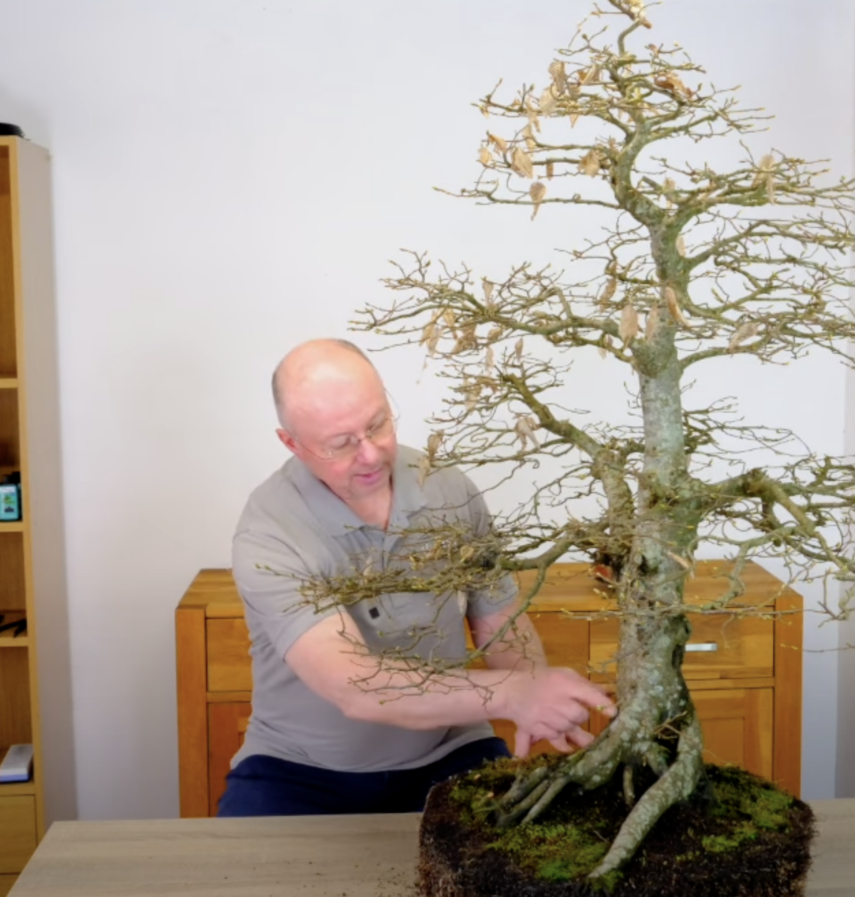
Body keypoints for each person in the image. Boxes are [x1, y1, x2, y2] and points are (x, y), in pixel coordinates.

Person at [219, 338, 614, 817]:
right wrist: (513, 694)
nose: (370, 455)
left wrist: (536, 694)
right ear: (293, 444)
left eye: (378, 424)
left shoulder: (448, 487)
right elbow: (356, 685)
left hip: (452, 751)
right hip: (298, 770)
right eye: (341, 444)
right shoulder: (269, 532)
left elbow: (499, 622)